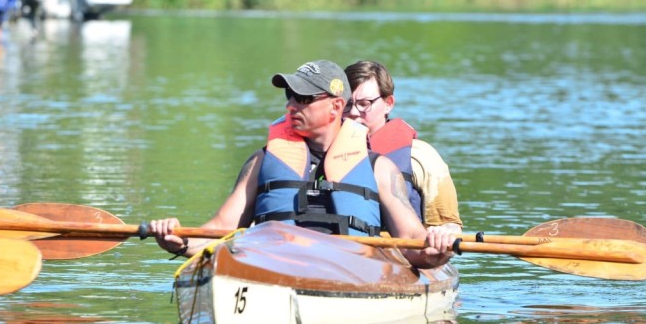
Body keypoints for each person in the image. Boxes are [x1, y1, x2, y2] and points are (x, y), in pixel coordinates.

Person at [150, 59, 457, 268]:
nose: (290, 105)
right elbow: (220, 229)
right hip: (274, 266)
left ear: (337, 106)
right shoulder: (262, 160)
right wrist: (178, 241)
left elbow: (413, 242)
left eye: (304, 98)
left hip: (351, 272)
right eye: (289, 95)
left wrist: (437, 249)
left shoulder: (379, 169)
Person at [343, 60, 462, 238]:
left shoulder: (420, 157)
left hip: (404, 254)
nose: (353, 112)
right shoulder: (321, 152)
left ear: (388, 103)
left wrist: (442, 235)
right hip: (342, 251)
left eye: (364, 103)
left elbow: (449, 225)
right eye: (346, 104)